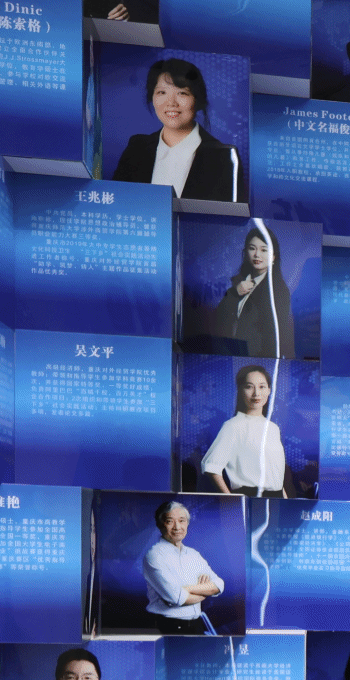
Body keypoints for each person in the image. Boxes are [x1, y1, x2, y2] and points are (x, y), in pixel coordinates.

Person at [110, 58, 242, 202]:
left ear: (197, 100)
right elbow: (116, 203)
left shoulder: (222, 157)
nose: (171, 103)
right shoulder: (137, 148)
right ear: (152, 97)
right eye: (162, 92)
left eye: (182, 93)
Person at [208, 222, 297, 359]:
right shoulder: (238, 283)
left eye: (264, 250)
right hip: (228, 355)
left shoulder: (278, 291)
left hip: (255, 360)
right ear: (246, 252)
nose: (257, 255)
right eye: (252, 248)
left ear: (273, 257)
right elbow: (218, 319)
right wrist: (235, 293)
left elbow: (274, 336)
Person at [199, 365, 287, 496]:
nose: (256, 393)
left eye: (262, 387)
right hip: (250, 498)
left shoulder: (273, 428)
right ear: (240, 390)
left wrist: (285, 500)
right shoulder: (233, 426)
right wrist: (232, 500)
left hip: (278, 499)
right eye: (249, 387)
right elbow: (211, 467)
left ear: (269, 390)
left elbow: (275, 476)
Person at [141, 500, 225, 634]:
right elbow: (177, 598)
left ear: (187, 523)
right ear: (159, 524)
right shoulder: (154, 556)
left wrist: (186, 589)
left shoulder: (193, 554)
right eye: (170, 521)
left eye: (182, 521)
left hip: (196, 625)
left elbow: (219, 585)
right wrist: (205, 592)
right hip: (167, 627)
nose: (177, 527)